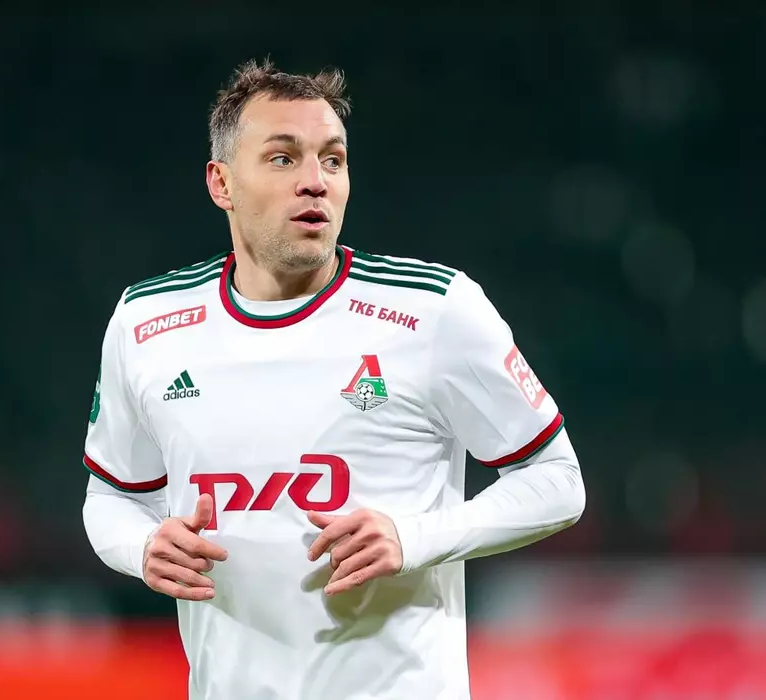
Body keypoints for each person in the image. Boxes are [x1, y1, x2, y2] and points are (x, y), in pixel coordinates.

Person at [82, 58, 585, 700]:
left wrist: (413, 536)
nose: (315, 182)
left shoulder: (433, 311)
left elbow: (557, 482)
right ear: (221, 182)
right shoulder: (147, 323)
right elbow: (110, 498)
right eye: (283, 158)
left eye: (333, 160)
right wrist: (144, 546)